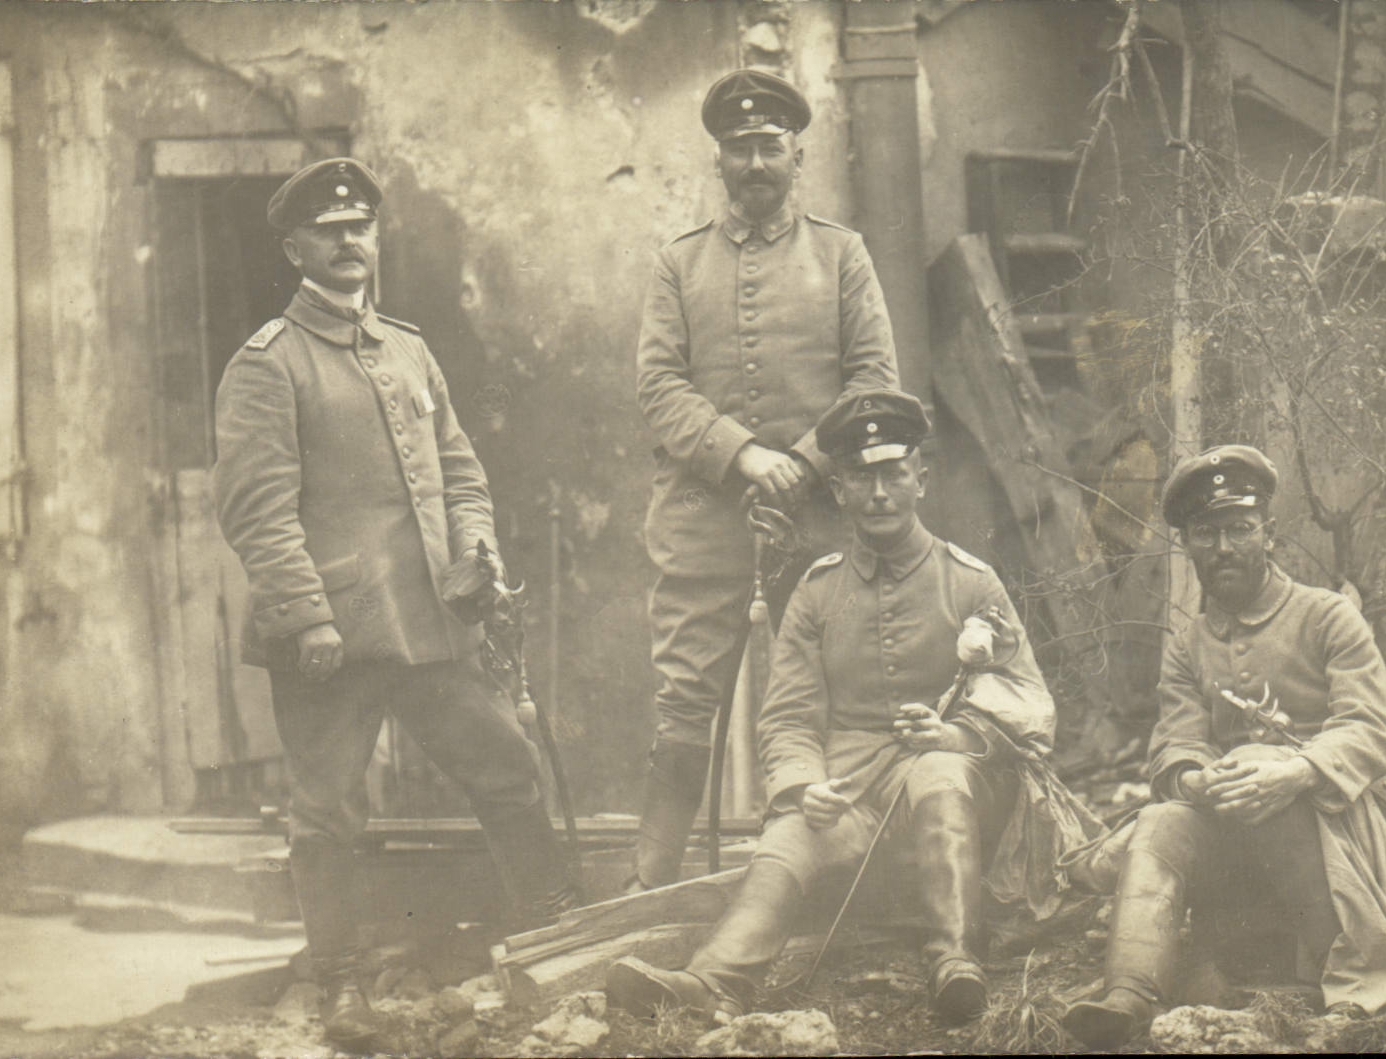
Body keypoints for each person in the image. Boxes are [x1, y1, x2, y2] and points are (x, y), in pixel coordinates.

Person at [213, 158, 574, 1050]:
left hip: (427, 618)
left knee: (507, 764)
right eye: (329, 230)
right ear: (294, 248)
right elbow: (257, 511)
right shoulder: (268, 364)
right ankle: (339, 983)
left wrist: (477, 553)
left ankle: (551, 938)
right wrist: (309, 616)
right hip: (329, 636)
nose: (348, 241)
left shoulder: (408, 348)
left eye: (360, 226)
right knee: (329, 811)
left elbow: (460, 472)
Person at [608, 389, 1079, 1024]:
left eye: (894, 474)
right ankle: (712, 982)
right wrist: (805, 786)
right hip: (851, 790)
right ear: (839, 491)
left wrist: (956, 735)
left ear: (921, 480)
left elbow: (1029, 704)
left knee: (937, 773)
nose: (879, 493)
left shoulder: (970, 580)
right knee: (793, 832)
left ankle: (955, 960)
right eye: (860, 477)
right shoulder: (817, 590)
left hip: (958, 795)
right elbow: (788, 717)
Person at [630, 68, 900, 891]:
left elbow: (874, 379)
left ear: (797, 155)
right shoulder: (679, 264)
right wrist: (744, 453)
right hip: (703, 515)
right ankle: (650, 881)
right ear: (718, 159)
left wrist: (806, 462)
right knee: (684, 700)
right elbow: (658, 387)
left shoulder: (842, 254)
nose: (755, 162)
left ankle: (841, 877)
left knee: (835, 691)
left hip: (820, 519)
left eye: (769, 146)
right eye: (739, 147)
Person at [1064, 444, 1386, 1048]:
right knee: (1160, 820)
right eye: (1206, 534)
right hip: (1236, 815)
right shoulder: (1188, 644)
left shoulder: (1327, 615)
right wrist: (1196, 780)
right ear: (1187, 544)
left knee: (1264, 775)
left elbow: (1373, 726)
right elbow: (1176, 744)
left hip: (1342, 813)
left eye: (1240, 529)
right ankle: (1128, 993)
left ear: (1269, 534)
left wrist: (1297, 771)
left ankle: (1344, 969)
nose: (1224, 547)